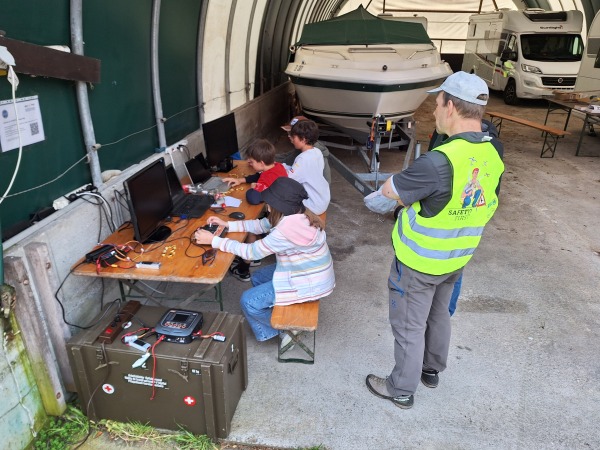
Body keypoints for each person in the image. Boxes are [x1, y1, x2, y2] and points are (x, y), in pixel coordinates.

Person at [365, 71, 505, 409]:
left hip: (420, 261)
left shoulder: (439, 160)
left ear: (452, 107)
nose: (434, 110)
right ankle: (431, 369)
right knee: (439, 313)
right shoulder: (493, 153)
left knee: (408, 324)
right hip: (456, 256)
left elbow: (390, 191)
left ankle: (400, 387)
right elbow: (487, 203)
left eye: (438, 103)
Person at [193, 177, 335, 344]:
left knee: (248, 301)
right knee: (258, 277)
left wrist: (214, 241)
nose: (267, 205)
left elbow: (251, 252)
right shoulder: (297, 214)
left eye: (269, 202)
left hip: (309, 282)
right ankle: (277, 309)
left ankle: (285, 330)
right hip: (308, 271)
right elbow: (261, 225)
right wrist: (227, 224)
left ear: (276, 205)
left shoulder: (285, 231)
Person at [427, 119, 504, 316]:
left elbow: (491, 190)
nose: (435, 112)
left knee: (449, 270)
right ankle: (443, 315)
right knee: (452, 268)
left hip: (455, 222)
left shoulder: (490, 146)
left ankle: (442, 315)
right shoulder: (442, 133)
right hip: (450, 221)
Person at [222, 138, 288, 281]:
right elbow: (258, 175)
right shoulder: (277, 167)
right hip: (283, 212)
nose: (249, 163)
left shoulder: (267, 178)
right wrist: (241, 180)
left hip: (278, 220)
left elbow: (253, 198)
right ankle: (254, 259)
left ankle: (244, 269)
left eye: (251, 162)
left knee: (250, 228)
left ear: (261, 163)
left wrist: (253, 187)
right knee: (255, 222)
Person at [282, 119, 330, 215]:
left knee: (280, 196)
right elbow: (299, 171)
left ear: (303, 139)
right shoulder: (317, 152)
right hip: (323, 199)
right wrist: (283, 166)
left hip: (312, 204)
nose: (291, 138)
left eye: (293, 136)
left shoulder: (303, 158)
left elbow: (288, 179)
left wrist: (275, 169)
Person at [278, 116, 332, 185]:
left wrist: (269, 161)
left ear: (303, 138)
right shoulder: (314, 150)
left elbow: (290, 175)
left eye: (292, 135)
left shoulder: (303, 157)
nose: (289, 136)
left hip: (310, 191)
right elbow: (287, 155)